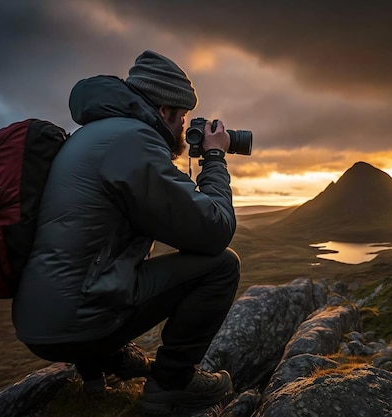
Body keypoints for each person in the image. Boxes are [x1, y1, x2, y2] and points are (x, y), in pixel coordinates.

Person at [12, 50, 240, 413]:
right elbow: (214, 230)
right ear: (164, 111)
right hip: (75, 324)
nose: (184, 127)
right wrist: (214, 158)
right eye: (182, 117)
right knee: (222, 266)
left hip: (38, 322)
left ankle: (101, 366)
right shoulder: (134, 141)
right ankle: (172, 383)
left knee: (91, 261)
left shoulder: (95, 135)